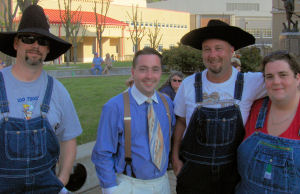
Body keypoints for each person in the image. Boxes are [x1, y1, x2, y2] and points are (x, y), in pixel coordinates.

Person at [172, 19, 266, 194]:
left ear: (232, 51)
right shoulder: (189, 84)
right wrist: (175, 159)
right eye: (207, 49)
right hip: (193, 176)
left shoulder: (251, 82)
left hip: (232, 176)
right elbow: (181, 123)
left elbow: (286, 81)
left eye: (218, 48)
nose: (212, 54)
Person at [0, 5, 82, 193]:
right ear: (16, 43)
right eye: (29, 38)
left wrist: (62, 179)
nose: (36, 45)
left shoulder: (58, 91)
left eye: (42, 41)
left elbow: (69, 138)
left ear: (47, 50)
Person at [91, 47, 176, 194]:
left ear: (161, 72)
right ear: (133, 72)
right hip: (130, 185)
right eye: (143, 69)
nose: (149, 76)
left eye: (155, 69)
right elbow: (102, 153)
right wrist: (110, 189)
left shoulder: (167, 103)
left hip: (162, 183)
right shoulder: (114, 107)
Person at [236, 50, 300, 193]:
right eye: (269, 76)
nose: (276, 81)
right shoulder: (253, 108)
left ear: (297, 78)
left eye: (283, 75)